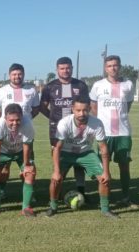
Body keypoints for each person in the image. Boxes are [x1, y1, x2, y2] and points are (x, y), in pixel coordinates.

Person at [45, 95, 119, 218]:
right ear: (72, 109)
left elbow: (103, 148)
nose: (82, 114)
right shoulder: (64, 123)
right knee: (56, 179)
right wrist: (56, 171)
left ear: (89, 109)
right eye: (78, 110)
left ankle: (105, 209)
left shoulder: (97, 123)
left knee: (104, 179)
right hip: (65, 153)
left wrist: (106, 171)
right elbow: (57, 148)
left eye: (85, 110)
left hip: (86, 153)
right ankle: (53, 207)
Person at [90, 55, 138, 208]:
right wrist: (100, 122)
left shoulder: (128, 85)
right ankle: (105, 197)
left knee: (124, 165)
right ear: (105, 68)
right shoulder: (98, 85)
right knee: (103, 167)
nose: (113, 68)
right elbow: (93, 105)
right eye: (109, 66)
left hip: (123, 133)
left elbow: (127, 106)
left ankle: (126, 196)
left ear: (120, 66)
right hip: (104, 133)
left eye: (115, 65)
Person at [40, 57, 89, 198]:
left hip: (78, 128)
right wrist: (53, 118)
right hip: (56, 130)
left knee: (79, 160)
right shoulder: (50, 87)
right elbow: (42, 107)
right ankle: (58, 188)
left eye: (68, 68)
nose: (65, 71)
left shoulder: (80, 85)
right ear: (57, 70)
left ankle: (81, 190)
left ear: (72, 68)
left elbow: (86, 106)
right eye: (62, 68)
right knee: (59, 159)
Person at [0, 63, 40, 199]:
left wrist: (26, 121)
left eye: (19, 74)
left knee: (28, 165)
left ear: (23, 74)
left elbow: (36, 109)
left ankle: (29, 193)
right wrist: (4, 121)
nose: (17, 76)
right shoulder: (1, 91)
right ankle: (1, 190)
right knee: (3, 168)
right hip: (6, 133)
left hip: (24, 132)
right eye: (14, 74)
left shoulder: (31, 90)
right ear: (9, 75)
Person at [0, 103, 36, 217]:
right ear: (5, 118)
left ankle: (26, 207)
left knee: (29, 173)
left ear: (22, 117)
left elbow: (27, 147)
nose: (15, 123)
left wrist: (26, 165)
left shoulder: (28, 124)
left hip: (21, 151)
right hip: (3, 152)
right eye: (11, 120)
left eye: (18, 120)